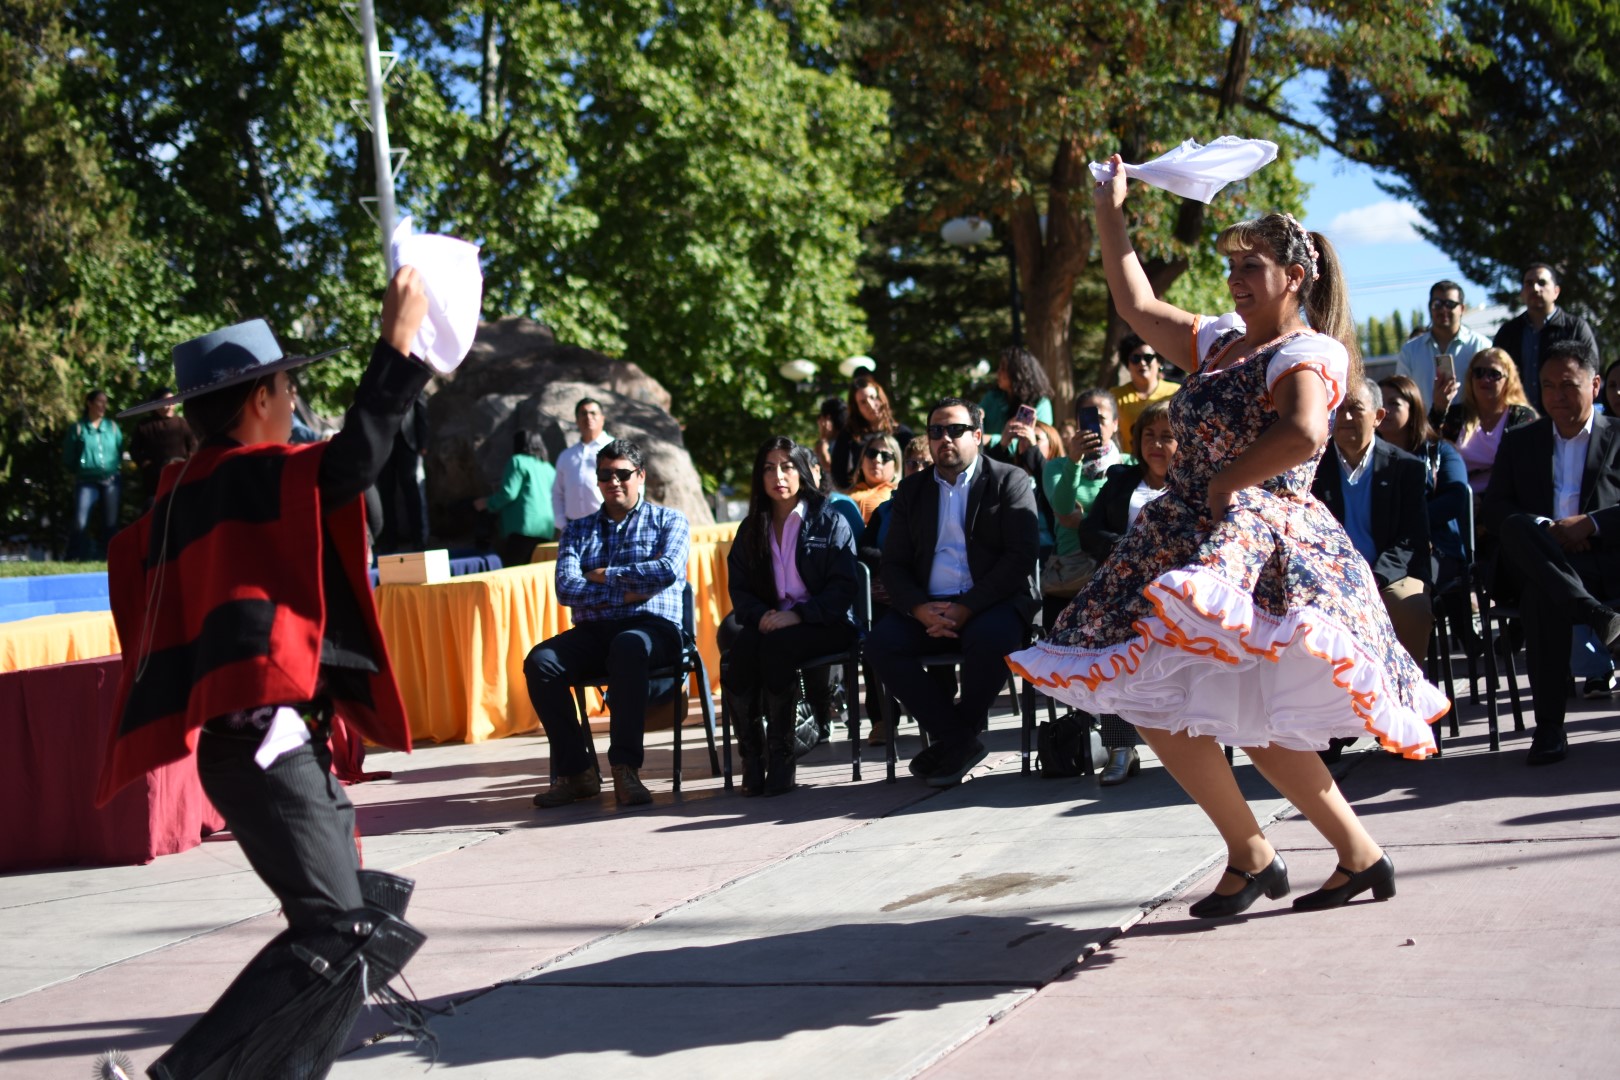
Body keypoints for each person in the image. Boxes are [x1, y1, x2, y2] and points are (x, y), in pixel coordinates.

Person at [1010, 158, 1445, 920]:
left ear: (1295, 277)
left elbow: (1304, 431)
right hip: (1189, 536)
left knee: (1240, 712)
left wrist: (1222, 484)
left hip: (1255, 545)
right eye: (1232, 266)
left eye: (1252, 266)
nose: (1236, 279)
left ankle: (1305, 855)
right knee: (1157, 695)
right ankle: (1298, 854)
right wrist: (1108, 208)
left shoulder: (1308, 352)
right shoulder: (1220, 342)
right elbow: (1137, 303)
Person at [98, 268, 438, 1078]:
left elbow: (348, 490)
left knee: (358, 929)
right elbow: (351, 465)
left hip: (268, 746)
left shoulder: (189, 492)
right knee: (340, 932)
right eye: (287, 389)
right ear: (259, 398)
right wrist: (397, 349)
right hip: (265, 749)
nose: (293, 404)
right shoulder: (238, 477)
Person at [865, 397, 1040, 787]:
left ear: (977, 435)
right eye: (936, 431)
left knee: (993, 638)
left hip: (991, 602)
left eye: (956, 430)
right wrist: (918, 608)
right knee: (880, 645)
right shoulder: (911, 490)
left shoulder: (1009, 480)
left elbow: (1020, 557)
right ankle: (961, 740)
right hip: (928, 605)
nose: (945, 438)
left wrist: (968, 608)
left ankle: (953, 741)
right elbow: (893, 564)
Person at [524, 439, 690, 808]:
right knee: (541, 662)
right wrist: (626, 592)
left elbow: (666, 571)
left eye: (622, 474)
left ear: (641, 476)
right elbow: (566, 588)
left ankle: (625, 768)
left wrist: (604, 575)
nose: (613, 481)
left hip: (654, 628)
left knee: (628, 646)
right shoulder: (577, 530)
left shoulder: (670, 520)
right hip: (595, 631)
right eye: (605, 475)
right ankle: (577, 773)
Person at [1482, 344, 1620, 766]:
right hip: (1535, 556)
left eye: (1568, 385)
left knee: (1543, 592)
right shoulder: (1521, 441)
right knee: (1517, 528)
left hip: (1601, 562)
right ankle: (1596, 616)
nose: (1557, 395)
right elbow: (1495, 507)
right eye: (1547, 385)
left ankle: (1548, 729)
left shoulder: (1618, 435)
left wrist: (1590, 524)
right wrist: (1549, 530)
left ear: (1595, 386)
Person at [720, 438, 860, 795]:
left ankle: (783, 758)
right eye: (769, 468)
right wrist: (762, 615)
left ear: (802, 472)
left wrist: (799, 615)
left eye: (786, 467)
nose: (778, 476)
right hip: (773, 621)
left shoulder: (830, 520)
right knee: (738, 655)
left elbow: (844, 587)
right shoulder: (752, 527)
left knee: (776, 648)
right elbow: (740, 588)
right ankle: (753, 760)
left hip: (826, 622)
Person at [1076, 398, 1179, 785]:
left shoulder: (1197, 483)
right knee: (1108, 641)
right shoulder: (1121, 479)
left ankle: (1196, 746)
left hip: (1178, 591)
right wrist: (1128, 551)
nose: (1156, 444)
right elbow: (1089, 532)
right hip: (1122, 590)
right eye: (1149, 435)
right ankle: (1121, 748)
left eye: (1167, 436)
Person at [1311, 376, 1434, 666]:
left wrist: (1372, 579)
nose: (1345, 418)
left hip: (1390, 575)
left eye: (1355, 409)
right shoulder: (1313, 467)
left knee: (1411, 607)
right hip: (1333, 576)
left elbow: (1411, 540)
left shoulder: (1406, 468)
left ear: (1378, 416)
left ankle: (1405, 688)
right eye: (1339, 409)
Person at [1379, 373, 1474, 653]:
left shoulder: (1440, 452)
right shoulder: (1366, 458)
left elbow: (1456, 499)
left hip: (1437, 550)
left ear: (1414, 408)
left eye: (1394, 403)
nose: (1384, 410)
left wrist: (1411, 520)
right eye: (1380, 403)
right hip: (1384, 550)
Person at [1492, 263, 1600, 412]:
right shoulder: (1508, 332)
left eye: (1542, 283)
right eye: (1529, 284)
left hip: (1565, 416)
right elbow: (1494, 373)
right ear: (1522, 292)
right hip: (1517, 418)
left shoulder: (1576, 328)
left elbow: (1591, 371)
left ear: (1556, 291)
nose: (1535, 288)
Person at [1439, 348, 1539, 496]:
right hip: (1458, 499)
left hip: (1505, 499)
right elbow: (1429, 452)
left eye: (1494, 374)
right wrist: (1438, 408)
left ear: (1509, 380)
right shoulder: (1455, 416)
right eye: (1479, 373)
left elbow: (1523, 471)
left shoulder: (1521, 417)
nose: (1485, 379)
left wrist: (1484, 500)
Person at [1398, 279, 1491, 412]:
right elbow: (1402, 396)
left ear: (1462, 309)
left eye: (1450, 304)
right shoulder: (1410, 351)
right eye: (1437, 304)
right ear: (1430, 307)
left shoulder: (1481, 346)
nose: (1443, 309)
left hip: (1471, 423)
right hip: (1425, 424)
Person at [476, 429, 557, 567]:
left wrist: (487, 503)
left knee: (513, 571)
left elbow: (508, 493)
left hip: (522, 529)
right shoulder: (549, 468)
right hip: (546, 530)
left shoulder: (518, 461)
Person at [61, 388, 123, 560]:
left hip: (110, 480)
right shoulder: (78, 428)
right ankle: (74, 556)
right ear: (89, 403)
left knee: (110, 523)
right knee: (80, 521)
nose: (103, 406)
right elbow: (68, 456)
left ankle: (111, 557)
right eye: (99, 402)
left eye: (105, 402)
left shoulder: (112, 427)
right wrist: (81, 469)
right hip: (86, 481)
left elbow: (119, 450)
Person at [829, 372, 913, 491]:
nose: (871, 405)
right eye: (863, 402)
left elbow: (913, 468)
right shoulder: (849, 434)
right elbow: (838, 472)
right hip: (861, 494)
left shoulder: (902, 433)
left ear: (881, 398)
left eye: (873, 397)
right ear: (856, 407)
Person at [375, 390, 430, 552]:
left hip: (408, 442)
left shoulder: (411, 376)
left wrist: (423, 443)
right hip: (384, 442)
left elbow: (420, 407)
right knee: (386, 492)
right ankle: (389, 540)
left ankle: (419, 538)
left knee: (412, 490)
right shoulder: (378, 380)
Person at [127, 387, 197, 509]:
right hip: (154, 480)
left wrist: (189, 461)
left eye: (172, 401)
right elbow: (134, 449)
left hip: (180, 477)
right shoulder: (144, 425)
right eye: (166, 401)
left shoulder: (182, 423)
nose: (169, 405)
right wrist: (145, 463)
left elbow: (193, 445)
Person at [1110, 335, 1179, 456]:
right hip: (1131, 463)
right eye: (1135, 358)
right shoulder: (1115, 396)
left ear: (1159, 362)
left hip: (1170, 462)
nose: (1142, 363)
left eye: (1148, 357)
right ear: (1127, 364)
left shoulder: (1176, 393)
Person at [552, 397, 613, 527]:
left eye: (593, 413)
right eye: (583, 414)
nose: (588, 417)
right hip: (574, 527)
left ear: (602, 418)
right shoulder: (566, 456)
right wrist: (562, 523)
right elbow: (557, 493)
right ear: (577, 420)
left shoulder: (615, 449)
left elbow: (633, 486)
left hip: (608, 526)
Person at [979, 346, 1054, 447]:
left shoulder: (1040, 403)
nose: (998, 372)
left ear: (1019, 372)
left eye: (1003, 368)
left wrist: (991, 440)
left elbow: (1039, 442)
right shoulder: (992, 397)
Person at [848, 432, 902, 524]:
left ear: (896, 466)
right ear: (861, 461)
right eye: (871, 453)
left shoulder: (900, 497)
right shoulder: (846, 493)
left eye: (886, 456)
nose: (877, 459)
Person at [813, 396, 847, 489]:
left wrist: (823, 438)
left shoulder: (845, 441)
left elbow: (828, 465)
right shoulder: (828, 442)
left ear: (828, 418)